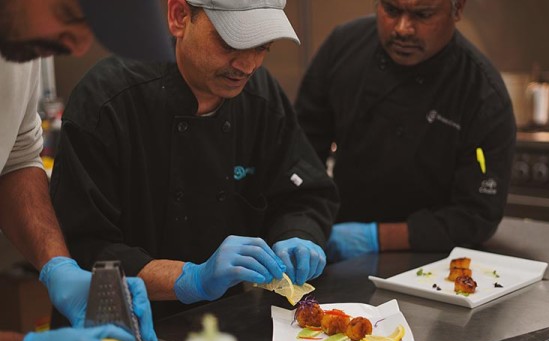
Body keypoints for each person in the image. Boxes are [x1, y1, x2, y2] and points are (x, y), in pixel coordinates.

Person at [49, 0, 339, 320]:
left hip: (220, 324)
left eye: (262, 47)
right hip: (113, 323)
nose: (247, 65)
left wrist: (298, 234)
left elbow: (304, 196)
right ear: (179, 17)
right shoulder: (107, 100)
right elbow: (86, 246)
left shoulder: (261, 95)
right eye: (230, 43)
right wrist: (190, 280)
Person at [0, 0, 174, 341]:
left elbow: (17, 158)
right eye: (70, 15)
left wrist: (58, 266)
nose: (78, 47)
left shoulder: (19, 46)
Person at [295, 0, 516, 261]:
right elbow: (301, 154)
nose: (402, 28)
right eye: (391, 10)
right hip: (335, 244)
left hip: (431, 260)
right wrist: (301, 227)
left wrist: (375, 238)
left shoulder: (482, 95)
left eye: (422, 15)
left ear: (457, 9)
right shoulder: (344, 46)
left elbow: (476, 216)